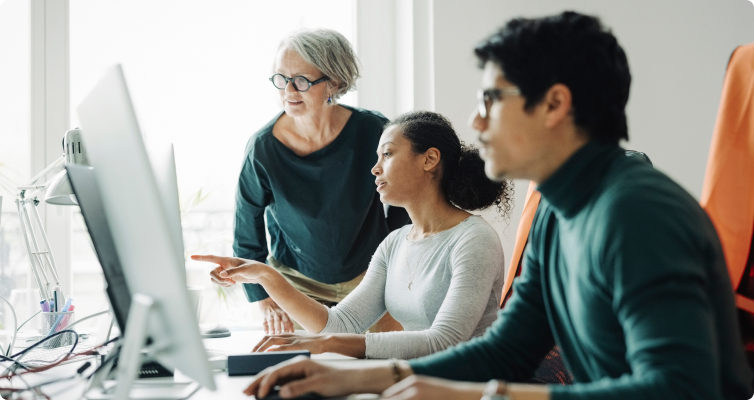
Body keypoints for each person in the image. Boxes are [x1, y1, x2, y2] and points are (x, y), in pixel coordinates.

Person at [241, 11, 754, 400]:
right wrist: (364, 373)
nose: (476, 122)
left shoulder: (638, 215)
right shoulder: (557, 211)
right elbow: (508, 348)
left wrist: (477, 394)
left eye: (490, 99)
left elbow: (679, 389)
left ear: (554, 104)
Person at [194, 111, 513, 359]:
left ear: (429, 159)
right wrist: (265, 276)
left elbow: (444, 341)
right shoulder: (394, 243)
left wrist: (332, 344)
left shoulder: (474, 239)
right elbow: (339, 324)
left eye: (387, 154)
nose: (375, 168)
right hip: (413, 382)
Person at [227, 28, 409, 334]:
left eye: (301, 81)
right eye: (281, 79)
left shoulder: (374, 130)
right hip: (296, 286)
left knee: (382, 369)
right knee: (306, 373)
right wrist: (264, 300)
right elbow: (247, 232)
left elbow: (404, 203)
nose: (288, 91)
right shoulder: (263, 148)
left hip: (370, 281)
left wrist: (390, 269)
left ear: (334, 83)